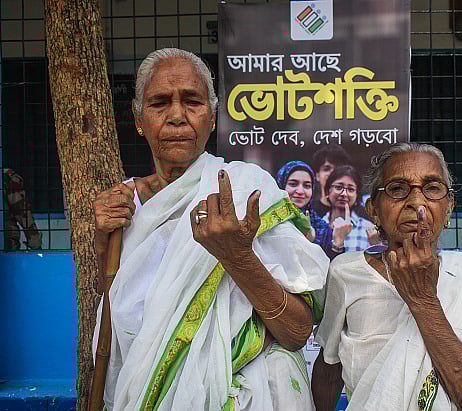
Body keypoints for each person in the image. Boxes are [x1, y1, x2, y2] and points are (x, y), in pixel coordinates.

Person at [92, 48, 329, 411]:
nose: (177, 116)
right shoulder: (125, 207)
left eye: (192, 102)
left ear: (212, 117)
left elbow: (296, 332)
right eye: (159, 103)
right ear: (138, 119)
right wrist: (101, 239)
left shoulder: (249, 192)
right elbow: (117, 307)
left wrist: (237, 257)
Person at [312, 143, 462, 411]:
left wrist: (423, 300)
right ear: (374, 210)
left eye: (432, 189)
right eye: (397, 189)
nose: (416, 202)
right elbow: (328, 370)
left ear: (448, 209)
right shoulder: (346, 272)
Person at [275, 160, 351, 259]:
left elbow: (331, 268)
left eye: (307, 186)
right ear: (281, 185)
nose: (300, 191)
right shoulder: (268, 220)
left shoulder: (321, 228)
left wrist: (337, 242)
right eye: (293, 184)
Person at [322, 165, 380, 252]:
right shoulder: (318, 226)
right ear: (327, 191)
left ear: (357, 197)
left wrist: (376, 245)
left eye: (350, 189)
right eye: (338, 187)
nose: (344, 194)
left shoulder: (369, 229)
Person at [3, 168, 42, 250]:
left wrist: (35, 244)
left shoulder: (7, 178)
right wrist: (35, 244)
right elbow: (23, 213)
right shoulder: (7, 177)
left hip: (7, 244)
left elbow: (22, 212)